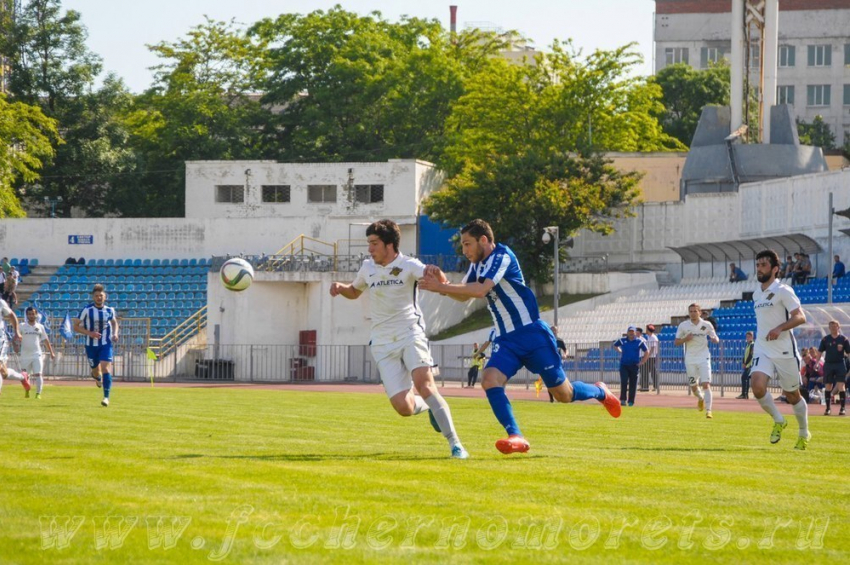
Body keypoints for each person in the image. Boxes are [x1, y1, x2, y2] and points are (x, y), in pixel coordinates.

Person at [418, 219, 621, 455]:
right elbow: (465, 295)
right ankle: (515, 435)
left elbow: (480, 290)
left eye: (467, 244)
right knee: (489, 379)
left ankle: (600, 391)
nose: (464, 251)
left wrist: (441, 287)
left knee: (564, 394)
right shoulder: (476, 264)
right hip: (506, 340)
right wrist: (443, 283)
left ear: (484, 240)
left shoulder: (502, 256)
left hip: (533, 335)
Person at [329, 220, 468, 459]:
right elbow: (355, 291)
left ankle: (456, 445)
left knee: (425, 386)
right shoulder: (367, 268)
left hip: (410, 332)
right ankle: (429, 408)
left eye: (374, 244)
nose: (370, 249)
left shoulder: (409, 265)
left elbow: (439, 281)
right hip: (382, 342)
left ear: (390, 244)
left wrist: (438, 273)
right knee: (404, 408)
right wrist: (342, 288)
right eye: (369, 244)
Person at [749, 249, 810, 450]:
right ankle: (779, 420)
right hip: (762, 347)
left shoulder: (784, 290)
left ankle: (803, 432)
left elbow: (800, 316)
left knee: (792, 395)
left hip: (784, 350)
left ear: (775, 269)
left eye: (763, 265)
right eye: (758, 265)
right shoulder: (756, 293)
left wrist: (779, 328)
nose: (759, 269)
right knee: (757, 386)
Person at [73, 284, 119, 407]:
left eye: (101, 296)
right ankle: (97, 378)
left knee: (106, 368)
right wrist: (90, 333)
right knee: (95, 371)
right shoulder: (87, 310)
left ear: (105, 297)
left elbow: (114, 323)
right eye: (96, 296)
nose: (99, 298)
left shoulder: (110, 310)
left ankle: (106, 397)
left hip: (106, 344)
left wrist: (115, 333)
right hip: (91, 345)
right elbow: (75, 326)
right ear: (93, 297)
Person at [675, 304, 720, 418]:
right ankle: (700, 398)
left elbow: (716, 338)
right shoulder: (683, 325)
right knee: (693, 386)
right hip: (690, 358)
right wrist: (686, 339)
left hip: (704, 357)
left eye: (695, 311)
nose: (693, 313)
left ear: (700, 312)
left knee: (706, 384)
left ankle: (709, 410)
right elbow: (676, 342)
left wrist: (714, 339)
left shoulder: (706, 325)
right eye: (691, 311)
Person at [19, 306, 56, 399]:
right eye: (29, 314)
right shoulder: (22, 326)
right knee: (25, 376)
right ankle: (27, 390)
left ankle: (38, 394)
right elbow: (16, 337)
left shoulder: (40, 327)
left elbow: (45, 340)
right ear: (27, 315)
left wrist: (51, 352)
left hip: (37, 354)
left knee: (38, 374)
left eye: (33, 314)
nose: (31, 315)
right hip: (25, 355)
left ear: (36, 315)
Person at [0, 296, 30, 397]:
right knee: (3, 373)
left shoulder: (0, 302)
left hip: (0, 340)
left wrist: (16, 332)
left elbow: (11, 315)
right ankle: (22, 377)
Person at [613, 326, 649, 407]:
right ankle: (623, 400)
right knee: (624, 382)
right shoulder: (622, 340)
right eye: (630, 331)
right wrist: (620, 351)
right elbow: (615, 345)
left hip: (634, 366)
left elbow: (647, 351)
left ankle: (631, 401)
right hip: (624, 365)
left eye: (633, 331)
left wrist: (642, 361)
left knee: (633, 384)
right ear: (627, 332)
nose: (631, 333)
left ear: (635, 332)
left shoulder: (639, 341)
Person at [818, 321, 848, 416]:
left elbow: (848, 352)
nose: (833, 328)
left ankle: (842, 408)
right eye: (831, 326)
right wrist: (817, 362)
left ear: (838, 327)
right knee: (828, 386)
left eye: (835, 326)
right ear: (829, 328)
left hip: (840, 364)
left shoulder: (844, 339)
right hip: (829, 364)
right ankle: (827, 409)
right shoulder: (825, 339)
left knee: (841, 386)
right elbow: (819, 351)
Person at [737, 331, 755, 399]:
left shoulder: (752, 345)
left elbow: (750, 355)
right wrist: (743, 362)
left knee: (745, 378)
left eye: (749, 336)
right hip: (747, 365)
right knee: (745, 378)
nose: (747, 338)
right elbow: (745, 355)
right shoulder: (747, 345)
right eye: (747, 336)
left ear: (752, 337)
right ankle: (745, 394)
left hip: (750, 365)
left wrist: (746, 363)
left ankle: (744, 394)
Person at [644, 324, 660, 390]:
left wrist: (648, 355)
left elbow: (652, 348)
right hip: (649, 356)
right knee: (645, 371)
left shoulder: (653, 337)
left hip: (652, 357)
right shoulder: (649, 337)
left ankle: (656, 386)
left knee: (653, 372)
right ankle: (645, 386)